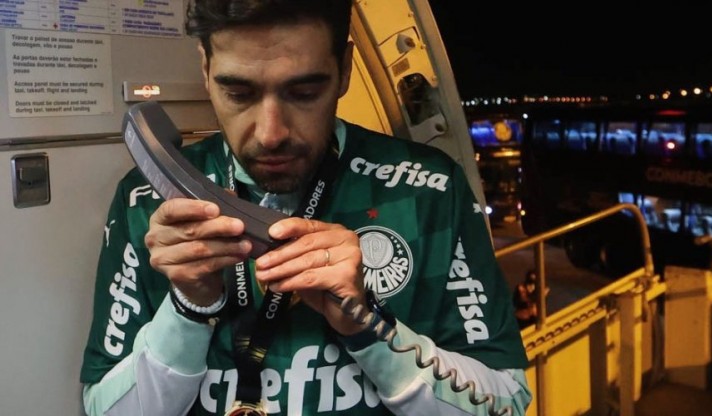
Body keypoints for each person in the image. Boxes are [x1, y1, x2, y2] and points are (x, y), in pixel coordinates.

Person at [79, 1, 531, 415]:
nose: (271, 133)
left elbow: (505, 403)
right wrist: (188, 309)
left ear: (345, 69)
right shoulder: (146, 201)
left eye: (304, 92)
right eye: (239, 93)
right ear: (206, 68)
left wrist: (369, 329)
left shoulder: (429, 189)